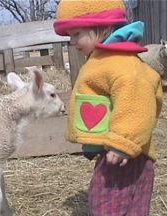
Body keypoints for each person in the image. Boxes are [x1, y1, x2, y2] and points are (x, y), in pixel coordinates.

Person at [53, 0, 163, 215]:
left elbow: (137, 102)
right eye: (69, 36)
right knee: (128, 205)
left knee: (107, 204)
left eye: (76, 34)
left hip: (125, 154)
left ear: (101, 27)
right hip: (115, 151)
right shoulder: (104, 59)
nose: (72, 42)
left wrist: (124, 142)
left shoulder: (122, 63)